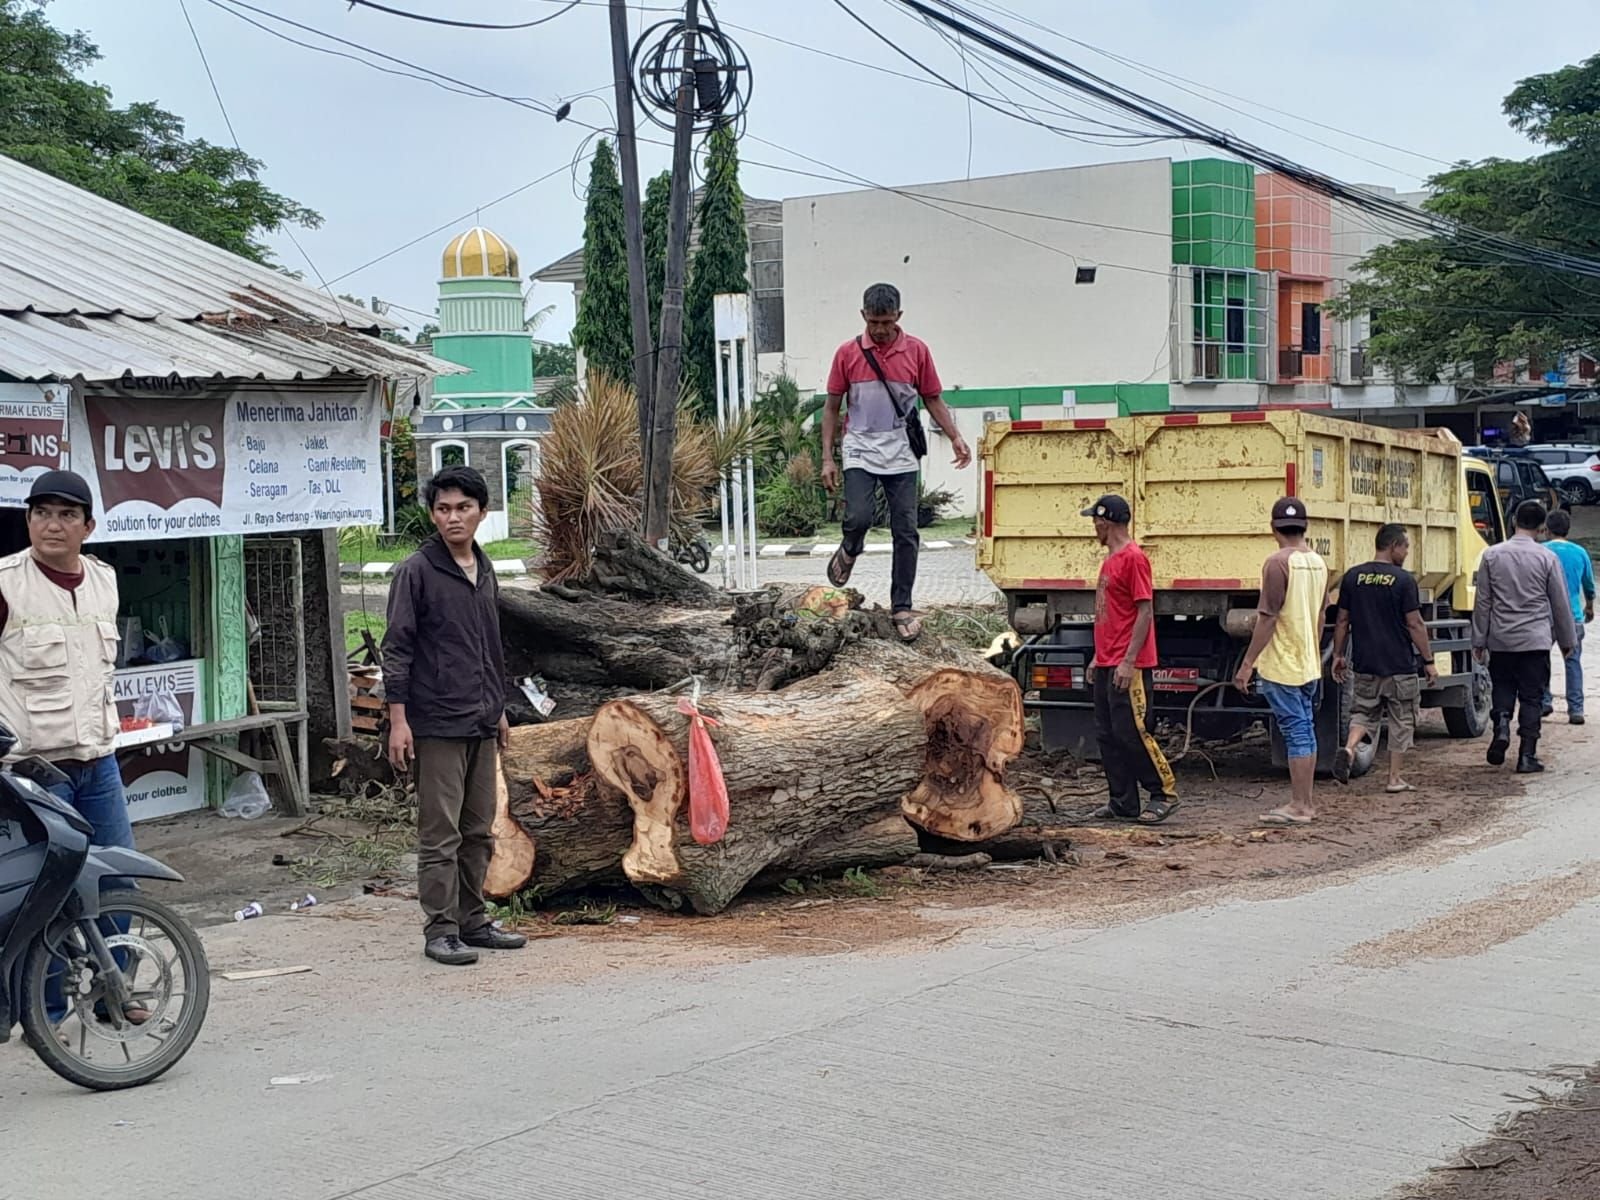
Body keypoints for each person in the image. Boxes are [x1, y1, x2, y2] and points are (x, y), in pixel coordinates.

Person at [0, 470, 146, 1025]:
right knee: (46, 896)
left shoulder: (104, 580)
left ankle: (111, 990)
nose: (51, 525)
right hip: (33, 774)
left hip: (99, 764)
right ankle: (48, 1011)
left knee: (117, 881)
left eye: (65, 515)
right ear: (28, 520)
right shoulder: (7, 583)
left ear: (88, 526)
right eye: (41, 513)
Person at [384, 466, 528, 966]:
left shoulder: (484, 568)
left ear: (481, 513)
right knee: (439, 834)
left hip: (482, 719)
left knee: (478, 830)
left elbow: (490, 645)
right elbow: (396, 649)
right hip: (437, 721)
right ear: (432, 514)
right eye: (443, 509)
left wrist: (501, 708)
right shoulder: (416, 572)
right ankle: (440, 929)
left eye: (463, 508)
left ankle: (475, 919)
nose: (453, 517)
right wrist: (399, 721)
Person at [822, 282, 971, 642]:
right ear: (863, 317)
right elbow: (831, 407)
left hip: (901, 451)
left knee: (906, 531)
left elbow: (933, 398)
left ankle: (901, 606)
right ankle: (850, 548)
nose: (880, 330)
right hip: (859, 446)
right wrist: (828, 456)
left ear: (899, 317)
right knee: (858, 516)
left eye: (887, 322)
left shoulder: (917, 351)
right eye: (874, 322)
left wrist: (955, 436)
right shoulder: (847, 353)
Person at [1082, 494, 1179, 825]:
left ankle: (1162, 793)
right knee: (1107, 733)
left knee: (1133, 731)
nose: (1093, 527)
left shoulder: (1134, 559)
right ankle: (1122, 801)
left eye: (1094, 521)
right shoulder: (1109, 561)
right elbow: (1112, 615)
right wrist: (1100, 656)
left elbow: (1144, 611)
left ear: (1104, 522)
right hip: (1108, 659)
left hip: (1129, 664)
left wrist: (1128, 660)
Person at [1233, 497, 1329, 826]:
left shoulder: (1276, 563)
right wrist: (1312, 650)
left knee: (1295, 731)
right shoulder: (1318, 562)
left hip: (1282, 663)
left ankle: (1300, 806)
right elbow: (1321, 614)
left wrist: (1247, 664)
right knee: (1305, 729)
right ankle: (1306, 801)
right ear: (1305, 527)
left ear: (1273, 528)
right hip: (1307, 661)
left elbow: (1268, 618)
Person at [1472, 499, 1578, 773]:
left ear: (1514, 521)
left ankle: (1503, 724)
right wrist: (1567, 642)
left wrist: (1479, 640)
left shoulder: (1492, 555)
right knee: (1532, 696)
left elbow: (1483, 602)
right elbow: (1560, 603)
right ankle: (1526, 755)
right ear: (1542, 527)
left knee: (1503, 687)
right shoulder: (1547, 558)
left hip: (1502, 638)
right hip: (1535, 640)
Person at [1331, 524, 1437, 793]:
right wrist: (1428, 660)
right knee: (1402, 720)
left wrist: (1339, 655)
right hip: (1399, 665)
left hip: (1366, 663)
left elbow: (1342, 620)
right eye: (1405, 547)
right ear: (1393, 547)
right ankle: (1394, 779)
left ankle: (1349, 748)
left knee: (1363, 713)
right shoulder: (1403, 580)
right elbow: (1415, 624)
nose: (1406, 552)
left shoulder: (1353, 577)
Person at [1539, 508, 1594, 725]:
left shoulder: (1541, 551)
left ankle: (1544, 701)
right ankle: (1576, 709)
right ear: (1568, 529)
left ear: (1547, 529)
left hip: (1544, 616)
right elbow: (1588, 584)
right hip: (1572, 615)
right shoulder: (1580, 552)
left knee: (1541, 659)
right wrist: (1589, 606)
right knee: (1573, 661)